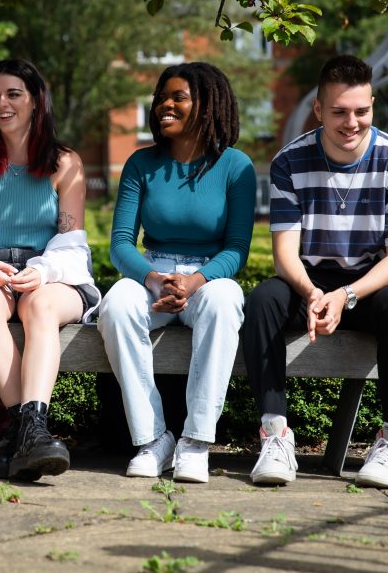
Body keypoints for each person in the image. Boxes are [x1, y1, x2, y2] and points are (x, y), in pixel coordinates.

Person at [242, 54, 388, 489]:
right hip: (311, 281)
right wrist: (311, 294)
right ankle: (274, 435)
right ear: (319, 110)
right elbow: (284, 255)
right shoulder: (289, 161)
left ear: (372, 107)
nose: (352, 122)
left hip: (374, 281)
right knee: (264, 299)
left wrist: (347, 296)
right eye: (340, 112)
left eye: (361, 111)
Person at [0, 59, 100, 482]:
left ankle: (27, 433)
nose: (2, 104)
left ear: (35, 102)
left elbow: (71, 246)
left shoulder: (66, 164)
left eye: (13, 94)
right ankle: (32, 432)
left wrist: (43, 271)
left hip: (52, 273)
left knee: (41, 308)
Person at [97, 62, 256, 483]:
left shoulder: (236, 167)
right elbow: (120, 244)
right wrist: (154, 279)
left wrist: (193, 282)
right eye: (161, 97)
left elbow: (238, 249)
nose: (164, 105)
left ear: (207, 106)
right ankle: (152, 440)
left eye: (178, 97)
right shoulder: (140, 164)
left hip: (209, 279)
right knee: (114, 305)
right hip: (154, 272)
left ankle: (195, 442)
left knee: (225, 302)